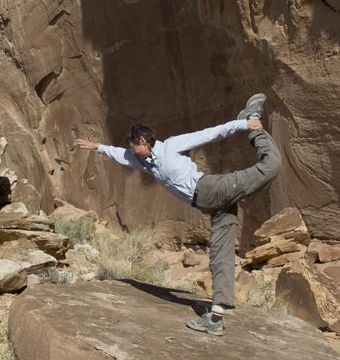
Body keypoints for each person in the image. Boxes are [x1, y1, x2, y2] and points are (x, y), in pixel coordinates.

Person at [76, 94, 281, 336]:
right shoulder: (144, 161)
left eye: (134, 147)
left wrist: (244, 125)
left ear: (143, 140)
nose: (133, 151)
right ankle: (216, 314)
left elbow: (210, 133)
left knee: (272, 165)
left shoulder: (171, 146)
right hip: (210, 204)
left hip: (211, 188)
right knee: (221, 252)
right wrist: (99, 147)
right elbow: (122, 156)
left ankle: (253, 118)